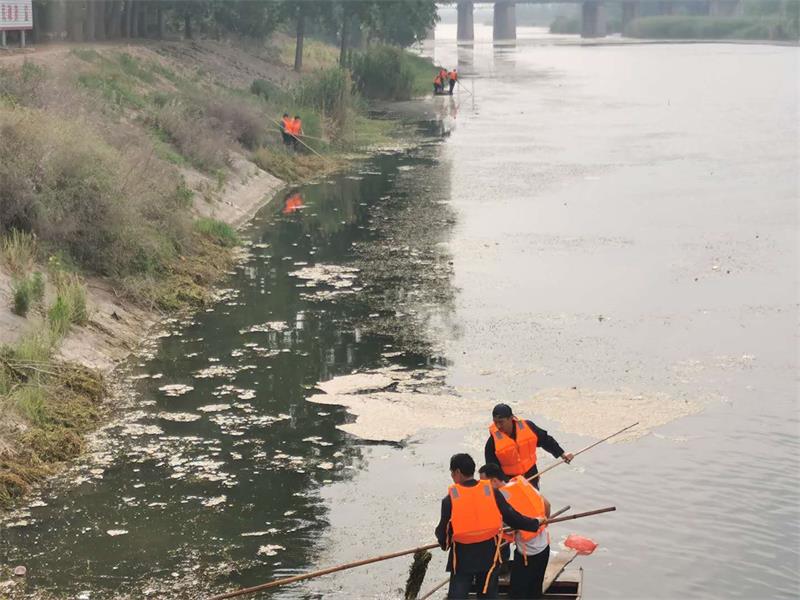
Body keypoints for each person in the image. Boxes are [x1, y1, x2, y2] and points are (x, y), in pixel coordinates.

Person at [435, 453, 545, 600]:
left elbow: (443, 531)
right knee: (488, 596)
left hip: (462, 559)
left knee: (457, 596)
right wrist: (535, 523)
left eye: (452, 472)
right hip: (489, 557)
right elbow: (513, 517)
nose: (452, 476)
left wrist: (443, 543)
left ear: (457, 472)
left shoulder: (449, 500)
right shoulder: (492, 492)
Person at [480, 463, 551, 599]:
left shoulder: (501, 498)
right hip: (544, 547)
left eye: (484, 483)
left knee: (516, 594)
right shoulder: (521, 483)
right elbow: (547, 505)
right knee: (535, 592)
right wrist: (543, 523)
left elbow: (503, 524)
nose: (482, 487)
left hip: (527, 553)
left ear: (494, 481)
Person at [485, 403, 573, 488]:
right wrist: (503, 483)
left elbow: (546, 440)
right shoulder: (492, 442)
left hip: (531, 476)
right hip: (510, 482)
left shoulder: (528, 427)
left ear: (511, 418)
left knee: (538, 502)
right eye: (495, 422)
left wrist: (562, 454)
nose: (498, 426)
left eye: (501, 422)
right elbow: (492, 469)